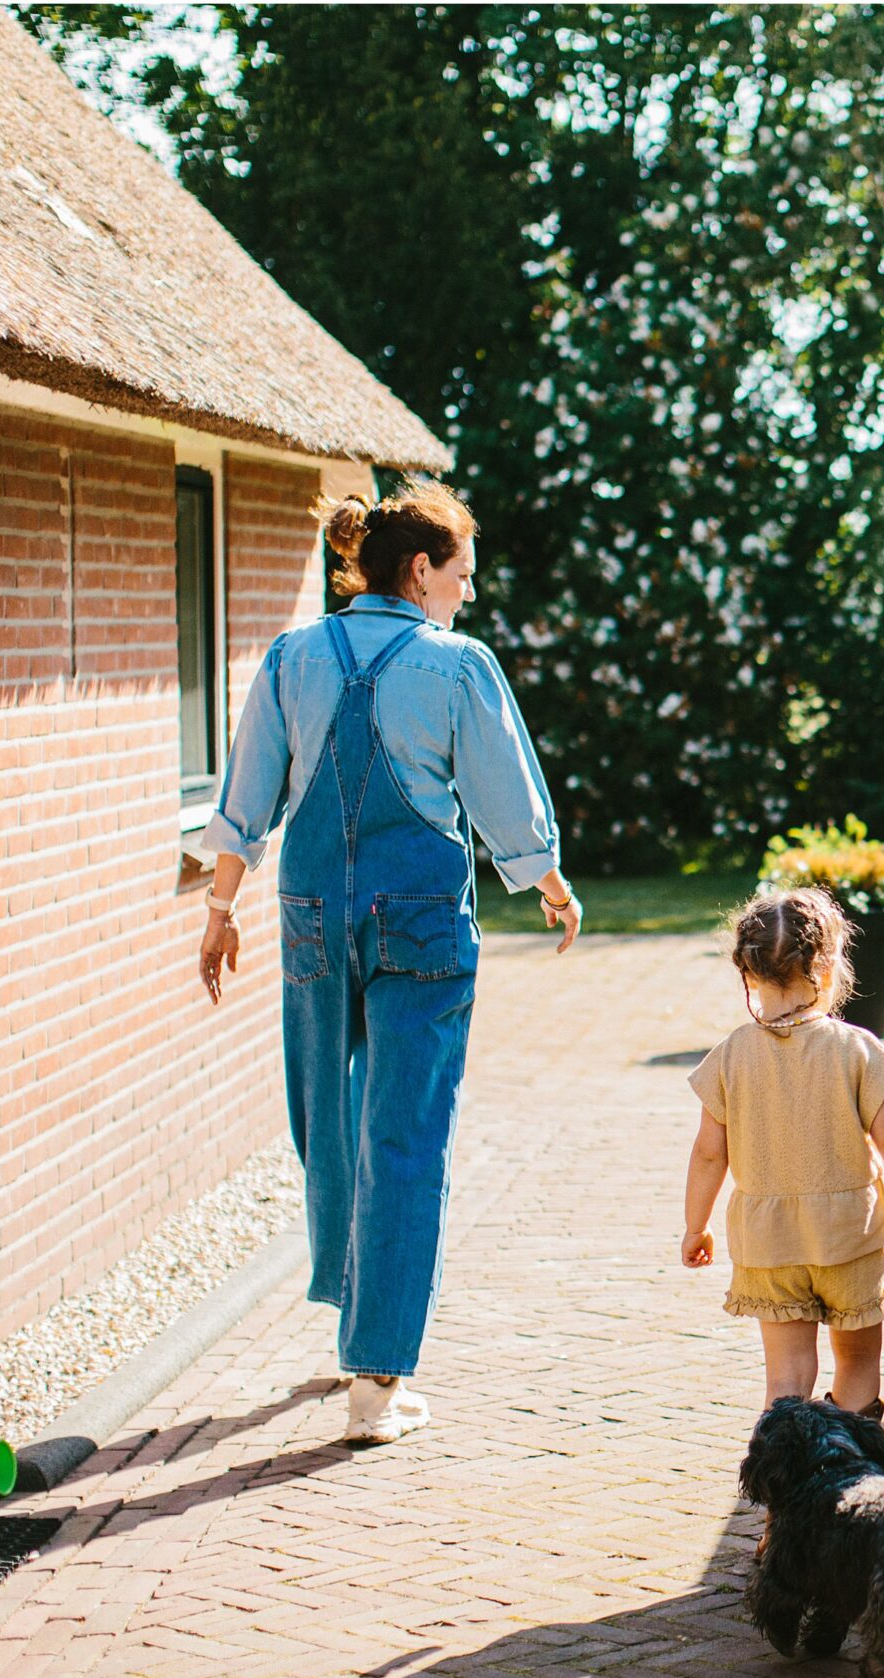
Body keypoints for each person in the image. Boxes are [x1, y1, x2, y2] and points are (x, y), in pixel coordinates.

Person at [199, 480, 581, 1444]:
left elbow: (248, 792)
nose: (467, 596)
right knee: (405, 1134)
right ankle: (377, 1372)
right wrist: (547, 882)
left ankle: (353, 1316)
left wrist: (218, 908)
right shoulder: (456, 667)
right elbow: (506, 799)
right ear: (421, 571)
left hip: (312, 913)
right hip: (419, 924)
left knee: (326, 1119)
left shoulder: (291, 657)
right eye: (463, 576)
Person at [682, 888, 884, 1415]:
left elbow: (708, 1154)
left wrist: (696, 1226)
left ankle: (781, 1475)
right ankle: (848, 1462)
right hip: (847, 1238)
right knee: (856, 1362)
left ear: (748, 971)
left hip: (769, 1243)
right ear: (827, 967)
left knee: (786, 1376)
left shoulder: (730, 1056)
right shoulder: (855, 1049)